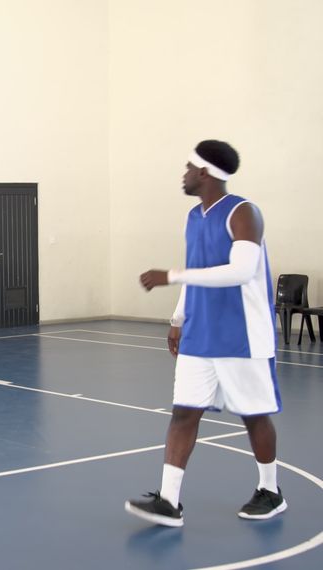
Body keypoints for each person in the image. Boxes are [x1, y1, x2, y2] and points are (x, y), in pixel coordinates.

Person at [127, 140, 285, 527]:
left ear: (203, 172)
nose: (183, 174)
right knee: (184, 412)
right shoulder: (193, 217)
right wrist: (179, 317)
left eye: (187, 167)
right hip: (200, 333)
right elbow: (196, 267)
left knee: (254, 415)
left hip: (241, 335)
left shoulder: (244, 212)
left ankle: (270, 491)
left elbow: (240, 271)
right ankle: (169, 501)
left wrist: (170, 276)